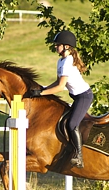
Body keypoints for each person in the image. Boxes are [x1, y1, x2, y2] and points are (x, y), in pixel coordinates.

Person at [32, 30, 93, 168]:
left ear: (66, 46)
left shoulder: (67, 62)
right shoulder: (61, 61)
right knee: (65, 121)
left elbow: (60, 87)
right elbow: (57, 81)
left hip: (84, 97)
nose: (55, 46)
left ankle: (79, 156)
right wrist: (42, 89)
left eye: (57, 44)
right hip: (77, 97)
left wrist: (42, 94)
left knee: (72, 124)